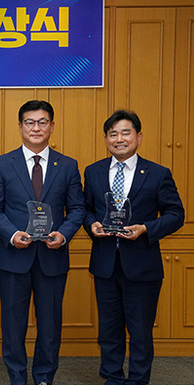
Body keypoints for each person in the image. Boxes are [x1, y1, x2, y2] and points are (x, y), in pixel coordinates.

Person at [0, 100, 85, 385]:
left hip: (52, 257)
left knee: (50, 325)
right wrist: (11, 234)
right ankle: (17, 377)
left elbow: (77, 208)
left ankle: (44, 377)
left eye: (42, 122)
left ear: (51, 126)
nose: (36, 128)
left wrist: (63, 234)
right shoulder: (2, 164)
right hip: (14, 257)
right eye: (30, 122)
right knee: (13, 325)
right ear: (20, 126)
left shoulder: (68, 165)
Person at [83, 110, 184, 385]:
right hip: (105, 263)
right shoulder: (93, 171)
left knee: (140, 331)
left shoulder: (158, 174)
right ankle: (113, 377)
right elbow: (86, 209)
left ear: (138, 137)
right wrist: (91, 224)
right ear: (106, 139)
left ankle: (138, 379)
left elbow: (176, 214)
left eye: (125, 133)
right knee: (109, 329)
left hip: (142, 265)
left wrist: (146, 228)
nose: (119, 139)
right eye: (113, 134)